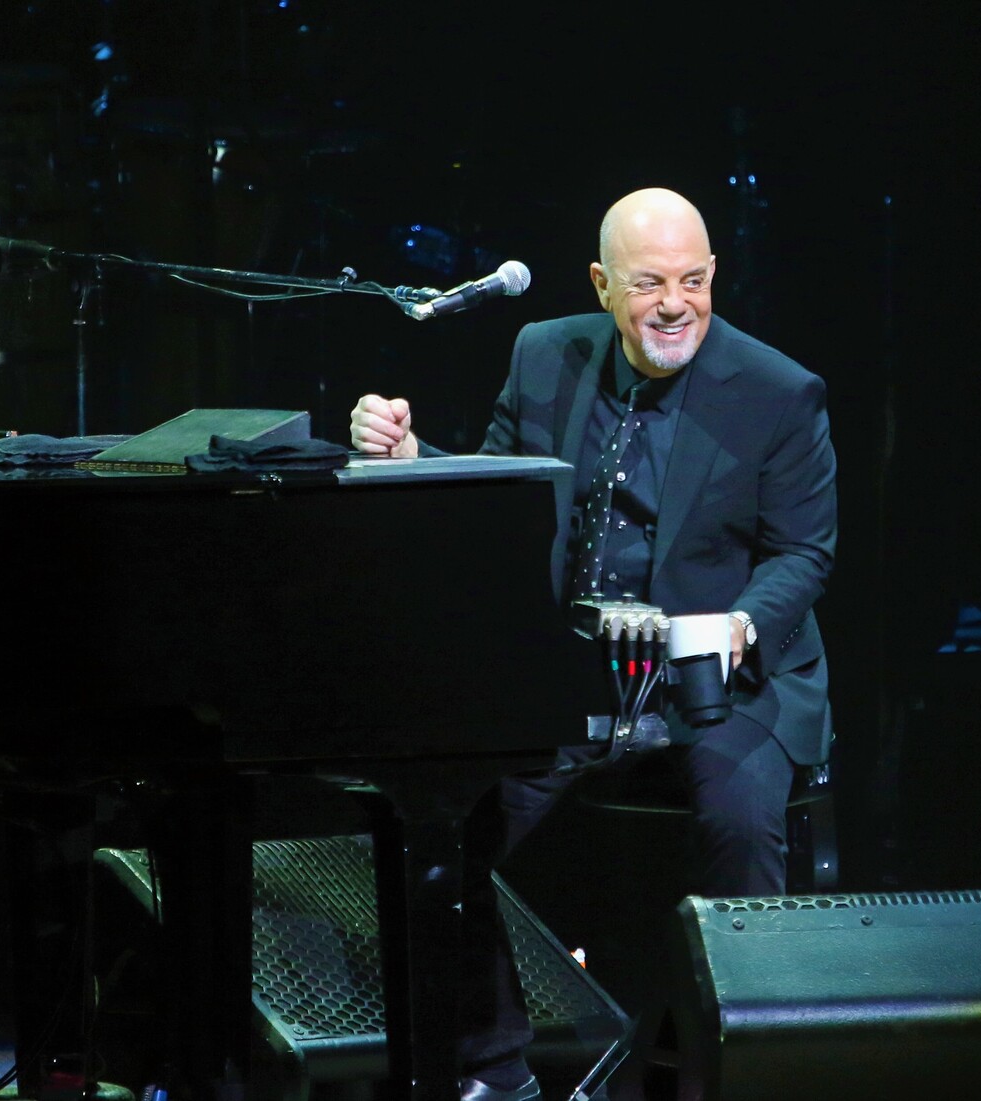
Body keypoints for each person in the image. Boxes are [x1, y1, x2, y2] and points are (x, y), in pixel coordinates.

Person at [351, 187, 837, 1101]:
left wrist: (739, 625)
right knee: (446, 820)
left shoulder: (780, 390)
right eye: (649, 283)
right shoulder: (545, 352)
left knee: (739, 827)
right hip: (579, 667)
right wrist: (415, 462)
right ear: (602, 284)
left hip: (722, 672)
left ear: (714, 276)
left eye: (693, 281)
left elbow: (803, 551)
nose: (675, 304)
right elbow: (505, 491)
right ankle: (493, 1067)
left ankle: (736, 1077)